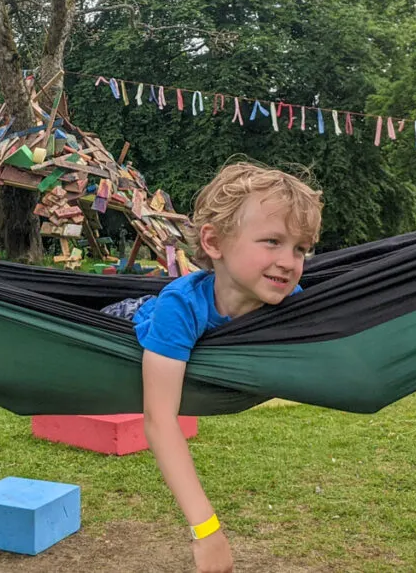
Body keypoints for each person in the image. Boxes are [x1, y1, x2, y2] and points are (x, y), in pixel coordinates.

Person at [101, 162, 324, 573]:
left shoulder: (293, 301)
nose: (289, 262)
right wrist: (206, 530)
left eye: (300, 249)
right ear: (215, 242)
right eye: (272, 241)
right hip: (118, 324)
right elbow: (159, 419)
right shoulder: (180, 307)